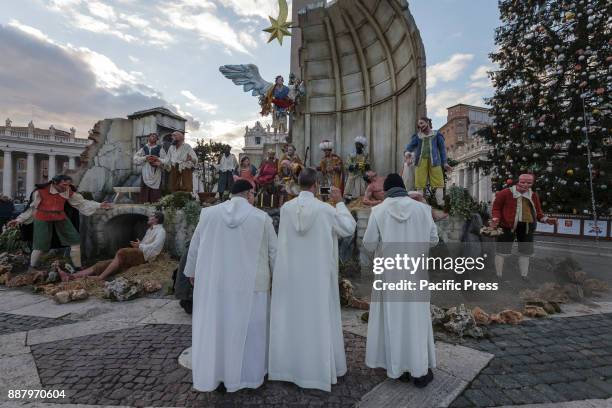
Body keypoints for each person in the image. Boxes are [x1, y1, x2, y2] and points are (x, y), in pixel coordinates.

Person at [184, 179, 277, 393]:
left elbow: (195, 246)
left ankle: (218, 373)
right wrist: (278, 278)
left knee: (220, 327)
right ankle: (250, 376)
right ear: (249, 194)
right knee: (251, 332)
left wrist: (191, 272)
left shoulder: (208, 214)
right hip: (254, 283)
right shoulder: (261, 218)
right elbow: (274, 252)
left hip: (216, 282)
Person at [268, 167, 356, 392]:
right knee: (317, 320)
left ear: (298, 184)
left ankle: (288, 368)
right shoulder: (325, 209)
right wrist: (340, 202)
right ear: (317, 185)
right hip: (317, 276)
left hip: (291, 275)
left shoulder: (286, 208)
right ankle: (317, 370)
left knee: (292, 319)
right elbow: (348, 227)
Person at [362, 173, 438, 388]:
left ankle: (397, 368)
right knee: (416, 319)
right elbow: (433, 240)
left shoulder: (378, 211)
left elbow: (368, 244)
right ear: (404, 188)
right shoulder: (422, 210)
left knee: (393, 318)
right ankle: (418, 369)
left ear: (385, 191)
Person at [7, 175, 112, 272]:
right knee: (40, 245)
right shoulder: (40, 192)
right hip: (42, 217)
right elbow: (32, 208)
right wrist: (18, 220)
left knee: (75, 240)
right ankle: (32, 267)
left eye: (68, 184)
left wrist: (99, 205)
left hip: (60, 216)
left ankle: (78, 266)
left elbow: (81, 202)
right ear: (55, 183)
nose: (66, 187)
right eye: (64, 184)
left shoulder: (68, 191)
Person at [58, 212, 167, 281]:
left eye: (151, 216)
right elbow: (144, 245)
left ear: (156, 219)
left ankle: (101, 277)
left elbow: (155, 247)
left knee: (122, 252)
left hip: (146, 258)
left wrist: (140, 246)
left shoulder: (161, 231)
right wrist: (138, 245)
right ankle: (72, 276)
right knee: (101, 264)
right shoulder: (150, 229)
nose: (149, 217)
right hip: (141, 252)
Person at [490, 174, 556, 279]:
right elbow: (496, 208)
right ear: (518, 181)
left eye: (529, 183)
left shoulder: (533, 195)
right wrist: (495, 219)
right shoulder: (505, 193)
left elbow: (538, 212)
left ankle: (524, 275)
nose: (525, 185)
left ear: (532, 183)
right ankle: (498, 274)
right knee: (501, 250)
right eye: (523, 182)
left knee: (526, 251)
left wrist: (546, 219)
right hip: (507, 225)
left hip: (527, 226)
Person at [405, 117, 452, 207]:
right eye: (419, 125)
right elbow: (409, 147)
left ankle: (440, 203)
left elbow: (442, 149)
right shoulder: (417, 136)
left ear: (427, 122)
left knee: (438, 181)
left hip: (435, 160)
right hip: (420, 161)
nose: (420, 126)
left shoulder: (437, 134)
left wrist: (445, 162)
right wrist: (407, 154)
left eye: (422, 123)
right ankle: (420, 204)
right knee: (419, 183)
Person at [133, 133, 163, 203]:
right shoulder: (144, 148)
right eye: (152, 136)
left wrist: (157, 160)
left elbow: (165, 160)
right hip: (146, 171)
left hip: (156, 172)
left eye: (155, 137)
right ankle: (144, 204)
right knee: (145, 189)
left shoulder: (160, 148)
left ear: (157, 139)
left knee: (155, 192)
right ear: (148, 138)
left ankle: (155, 205)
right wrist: (145, 158)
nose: (153, 138)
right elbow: (135, 159)